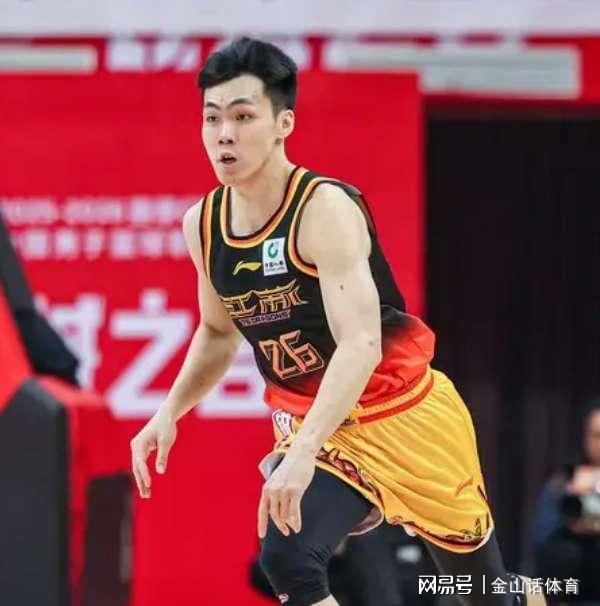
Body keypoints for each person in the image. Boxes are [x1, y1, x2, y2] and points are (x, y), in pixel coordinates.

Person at [130, 37, 546, 606]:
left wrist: (302, 453)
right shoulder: (202, 224)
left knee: (483, 593)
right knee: (287, 557)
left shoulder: (324, 210)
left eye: (243, 117)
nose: (224, 133)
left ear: (284, 123)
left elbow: (361, 344)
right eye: (212, 118)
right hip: (319, 421)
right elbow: (218, 332)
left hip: (400, 411)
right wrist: (169, 411)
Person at [530, 403, 600, 603]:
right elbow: (541, 538)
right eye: (596, 436)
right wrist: (570, 522)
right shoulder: (564, 481)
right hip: (573, 585)